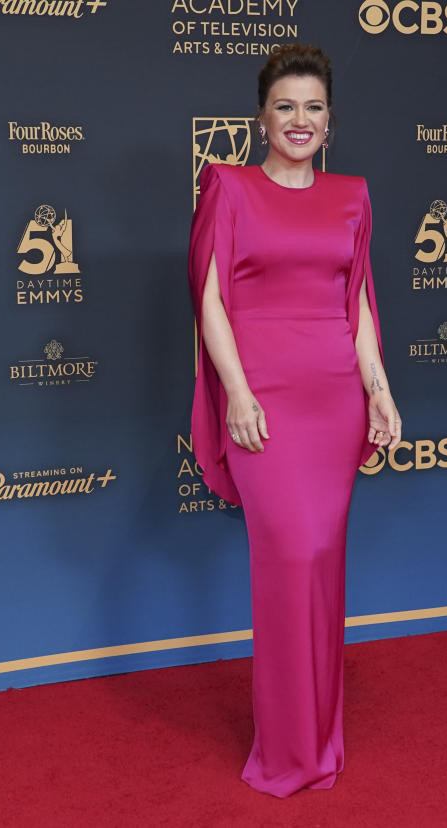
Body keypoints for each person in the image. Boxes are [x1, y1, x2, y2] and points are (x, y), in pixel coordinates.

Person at [188, 44, 401, 797]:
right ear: (261, 118)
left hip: (334, 396)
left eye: (313, 107)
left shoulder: (353, 197)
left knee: (323, 561)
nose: (299, 120)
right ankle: (286, 751)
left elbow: (360, 302)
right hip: (264, 398)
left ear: (330, 120)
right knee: (289, 555)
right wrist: (237, 392)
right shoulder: (230, 188)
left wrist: (378, 389)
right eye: (285, 106)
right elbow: (210, 300)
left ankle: (320, 740)